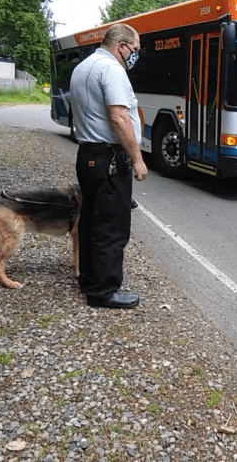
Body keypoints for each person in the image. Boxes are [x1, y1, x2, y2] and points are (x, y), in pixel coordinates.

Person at [70, 23, 148, 309]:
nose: (135, 56)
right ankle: (104, 291)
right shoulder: (113, 70)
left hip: (88, 155)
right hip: (109, 158)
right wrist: (137, 159)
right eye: (135, 50)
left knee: (91, 219)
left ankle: (89, 279)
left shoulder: (83, 67)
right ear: (122, 45)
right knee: (112, 225)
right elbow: (118, 117)